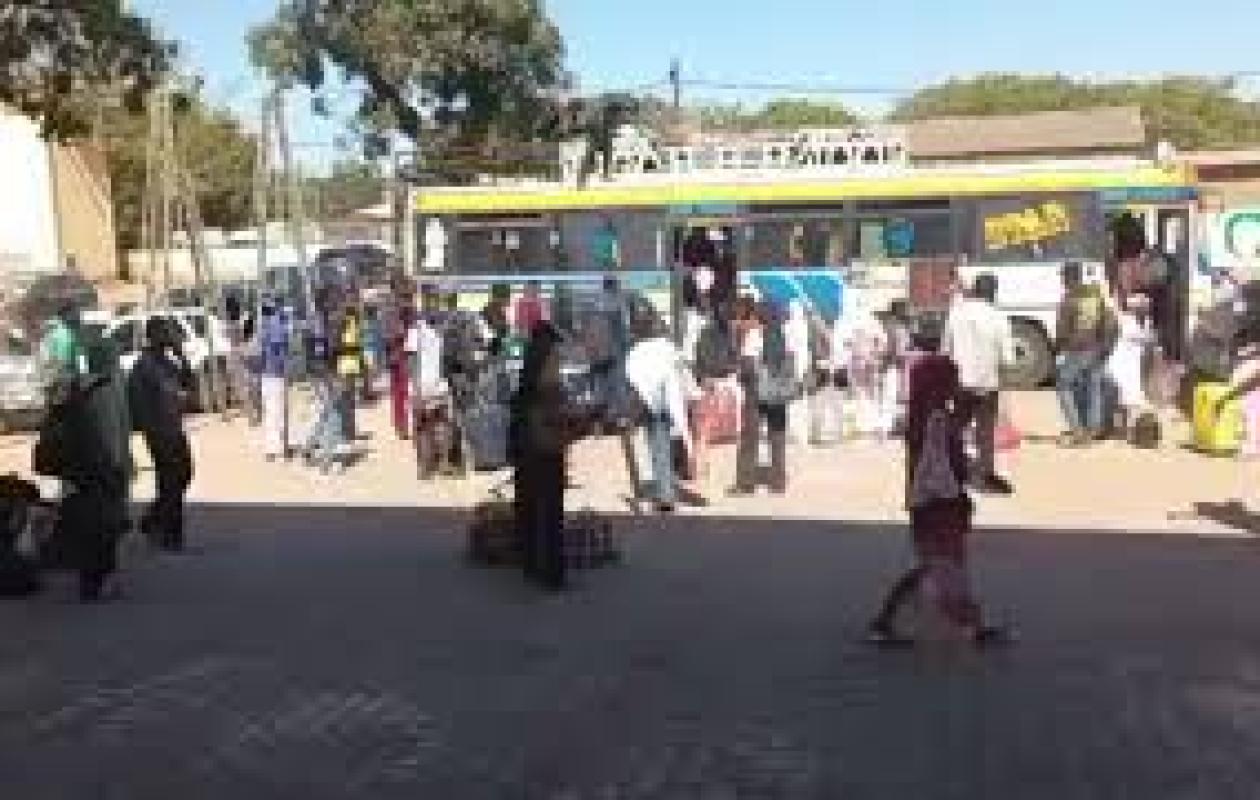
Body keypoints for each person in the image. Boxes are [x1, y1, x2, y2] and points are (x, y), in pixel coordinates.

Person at [866, 355, 1010, 647]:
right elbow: (940, 464)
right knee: (944, 567)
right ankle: (969, 625)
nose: (955, 386)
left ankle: (891, 621)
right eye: (951, 380)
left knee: (938, 566)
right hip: (938, 504)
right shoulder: (936, 420)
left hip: (932, 504)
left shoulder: (925, 416)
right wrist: (965, 483)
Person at [508, 323, 575, 590]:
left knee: (528, 505)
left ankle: (529, 564)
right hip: (545, 447)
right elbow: (553, 406)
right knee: (551, 510)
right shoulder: (549, 363)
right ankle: (553, 573)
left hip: (525, 446)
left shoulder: (528, 365)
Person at [942, 273, 1015, 495]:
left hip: (960, 381)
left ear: (974, 290)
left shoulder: (956, 314)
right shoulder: (998, 318)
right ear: (993, 293)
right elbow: (1007, 358)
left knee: (956, 426)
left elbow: (946, 350)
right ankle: (983, 478)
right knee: (985, 432)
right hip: (987, 383)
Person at [128, 317, 194, 554]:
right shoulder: (143, 366)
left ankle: (154, 519)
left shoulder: (167, 362)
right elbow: (136, 403)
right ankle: (171, 535)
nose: (170, 336)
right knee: (171, 481)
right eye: (165, 333)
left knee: (184, 474)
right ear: (153, 336)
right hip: (159, 433)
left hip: (174, 429)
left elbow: (189, 383)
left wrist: (182, 355)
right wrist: (151, 431)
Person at [624, 311, 692, 513]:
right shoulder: (666, 348)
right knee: (663, 446)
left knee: (654, 447)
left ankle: (664, 490)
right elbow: (680, 372)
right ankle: (666, 491)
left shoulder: (634, 352)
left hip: (643, 405)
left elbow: (630, 379)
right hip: (664, 403)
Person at [732, 302, 796, 496]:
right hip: (779, 394)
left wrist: (742, 377)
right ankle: (778, 483)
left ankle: (745, 483)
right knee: (777, 438)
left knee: (749, 438)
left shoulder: (755, 335)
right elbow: (795, 365)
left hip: (756, 393)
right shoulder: (786, 336)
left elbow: (747, 366)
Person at [1055, 261, 1115, 446]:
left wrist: (1058, 349)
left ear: (1069, 278)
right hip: (1098, 348)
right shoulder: (1096, 294)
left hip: (1078, 349)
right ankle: (1093, 429)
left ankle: (1077, 431)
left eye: (1064, 278)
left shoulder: (1070, 299)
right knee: (1093, 387)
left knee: (1063, 385)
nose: (1062, 282)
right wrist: (1106, 348)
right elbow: (1111, 321)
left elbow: (1063, 330)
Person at [406, 304, 451, 480]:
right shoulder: (421, 331)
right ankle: (432, 465)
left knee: (431, 426)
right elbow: (412, 362)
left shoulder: (419, 330)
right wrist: (417, 390)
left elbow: (411, 362)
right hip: (429, 385)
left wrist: (416, 390)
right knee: (431, 425)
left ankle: (432, 465)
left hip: (434, 385)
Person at [1106, 293, 1158, 436]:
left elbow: (1150, 347)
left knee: (1131, 397)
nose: (1143, 310)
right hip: (1120, 362)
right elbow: (1113, 313)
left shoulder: (1149, 324)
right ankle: (1118, 428)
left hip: (1135, 364)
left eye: (1145, 308)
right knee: (1120, 395)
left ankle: (1125, 428)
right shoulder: (1125, 320)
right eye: (1140, 307)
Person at [302, 307, 344, 475]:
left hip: (323, 378)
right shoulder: (322, 332)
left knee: (326, 414)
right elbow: (320, 361)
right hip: (325, 379)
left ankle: (309, 446)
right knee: (334, 418)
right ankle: (326, 460)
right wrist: (331, 382)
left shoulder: (323, 330)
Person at [257, 298, 290, 460]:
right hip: (276, 373)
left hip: (265, 374)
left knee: (270, 411)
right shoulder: (276, 325)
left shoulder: (262, 327)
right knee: (278, 411)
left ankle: (271, 448)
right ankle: (280, 449)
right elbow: (279, 349)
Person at [334, 304, 365, 442]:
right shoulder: (348, 324)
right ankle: (347, 431)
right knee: (347, 400)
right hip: (347, 365)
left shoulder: (350, 323)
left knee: (349, 400)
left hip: (348, 365)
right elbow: (352, 346)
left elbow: (355, 346)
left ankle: (349, 430)